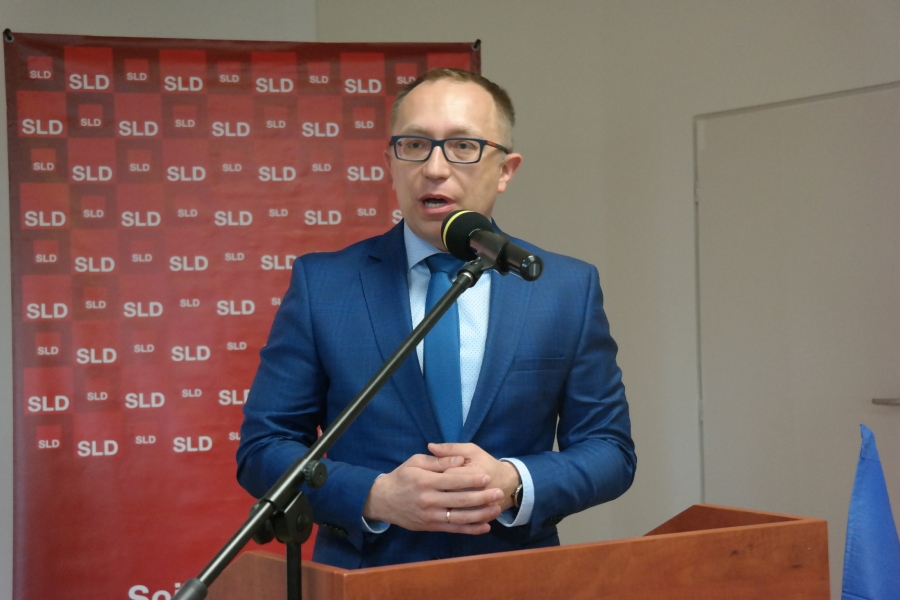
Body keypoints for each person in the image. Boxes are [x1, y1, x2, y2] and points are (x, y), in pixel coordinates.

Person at [236, 68, 636, 569]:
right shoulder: (325, 285)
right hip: (366, 578)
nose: (434, 168)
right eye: (415, 145)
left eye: (463, 146)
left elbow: (609, 450)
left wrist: (514, 480)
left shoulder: (563, 288)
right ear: (390, 162)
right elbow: (264, 448)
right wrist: (375, 496)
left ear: (506, 170)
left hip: (515, 575)